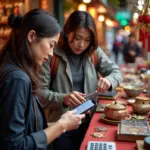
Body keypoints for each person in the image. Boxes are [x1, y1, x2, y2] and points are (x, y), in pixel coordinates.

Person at [0, 9, 85, 150]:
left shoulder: (13, 68)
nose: (51, 53)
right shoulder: (17, 79)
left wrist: (62, 124)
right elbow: (14, 146)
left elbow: (27, 129)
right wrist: (61, 126)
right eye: (51, 45)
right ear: (32, 36)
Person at [39, 10, 123, 150]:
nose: (81, 44)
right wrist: (63, 98)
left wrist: (109, 80)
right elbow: (39, 93)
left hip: (90, 121)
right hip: (60, 125)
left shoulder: (93, 52)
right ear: (67, 32)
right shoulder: (52, 54)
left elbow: (117, 72)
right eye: (77, 38)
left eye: (87, 40)